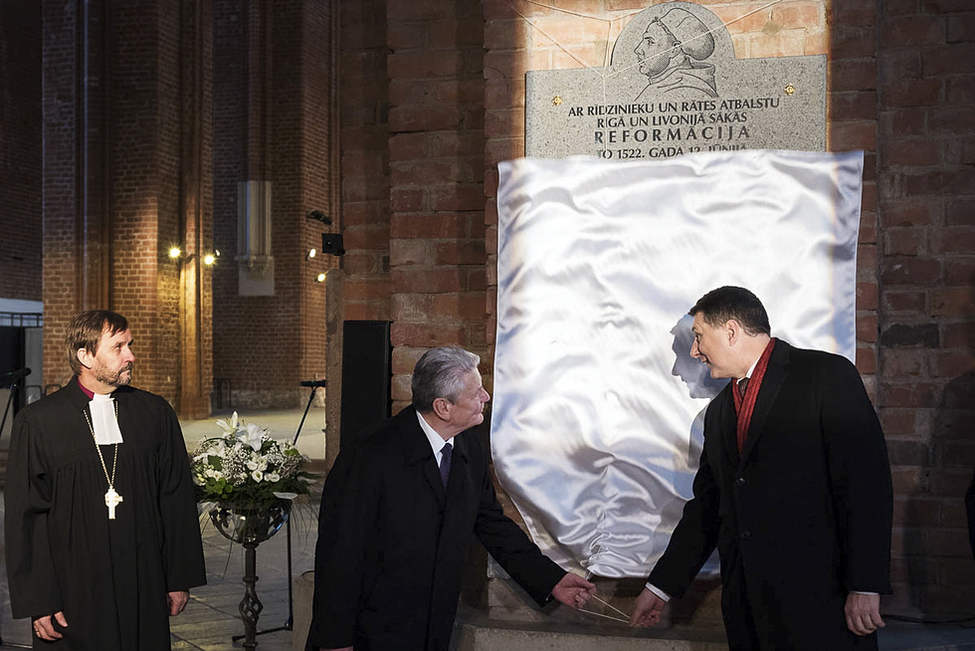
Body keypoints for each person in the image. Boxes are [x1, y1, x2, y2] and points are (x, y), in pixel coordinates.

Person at [630, 287, 892, 650]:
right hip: (748, 612)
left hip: (823, 606)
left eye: (698, 337)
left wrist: (865, 584)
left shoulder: (826, 375)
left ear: (732, 331)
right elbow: (708, 510)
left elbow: (866, 486)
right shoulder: (719, 413)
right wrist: (661, 587)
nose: (694, 352)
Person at [305, 346, 595, 651]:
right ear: (443, 407)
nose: (486, 397)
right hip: (371, 631)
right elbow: (339, 554)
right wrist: (335, 642)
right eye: (477, 392)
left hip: (432, 628)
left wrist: (549, 579)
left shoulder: (469, 446)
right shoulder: (369, 455)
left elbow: (491, 524)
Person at [5, 310, 206, 650]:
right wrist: (39, 599)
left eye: (130, 345)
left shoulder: (155, 413)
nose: (131, 355)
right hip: (72, 590)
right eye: (118, 347)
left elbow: (175, 498)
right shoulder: (38, 422)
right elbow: (26, 517)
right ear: (85, 355)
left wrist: (178, 578)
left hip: (143, 579)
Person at [633, 7, 717, 99]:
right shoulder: (661, 88)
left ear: (674, 49)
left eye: (650, 42)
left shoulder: (690, 91)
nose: (638, 50)